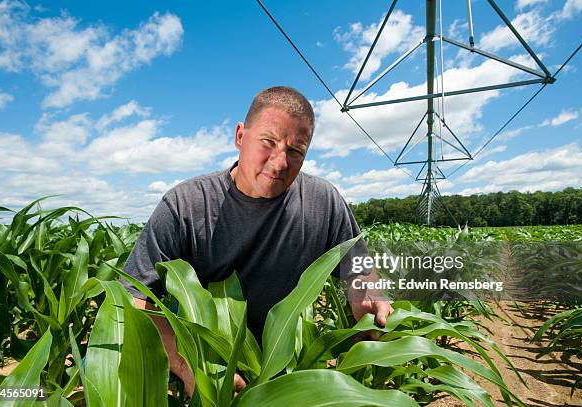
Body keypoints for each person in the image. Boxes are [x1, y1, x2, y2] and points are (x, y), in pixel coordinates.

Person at [121, 86, 392, 396]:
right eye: (268, 142)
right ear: (240, 136)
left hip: (280, 362)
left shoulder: (323, 202)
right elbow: (135, 298)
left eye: (295, 151)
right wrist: (187, 365)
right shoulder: (186, 205)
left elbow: (358, 268)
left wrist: (368, 294)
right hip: (201, 363)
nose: (279, 162)